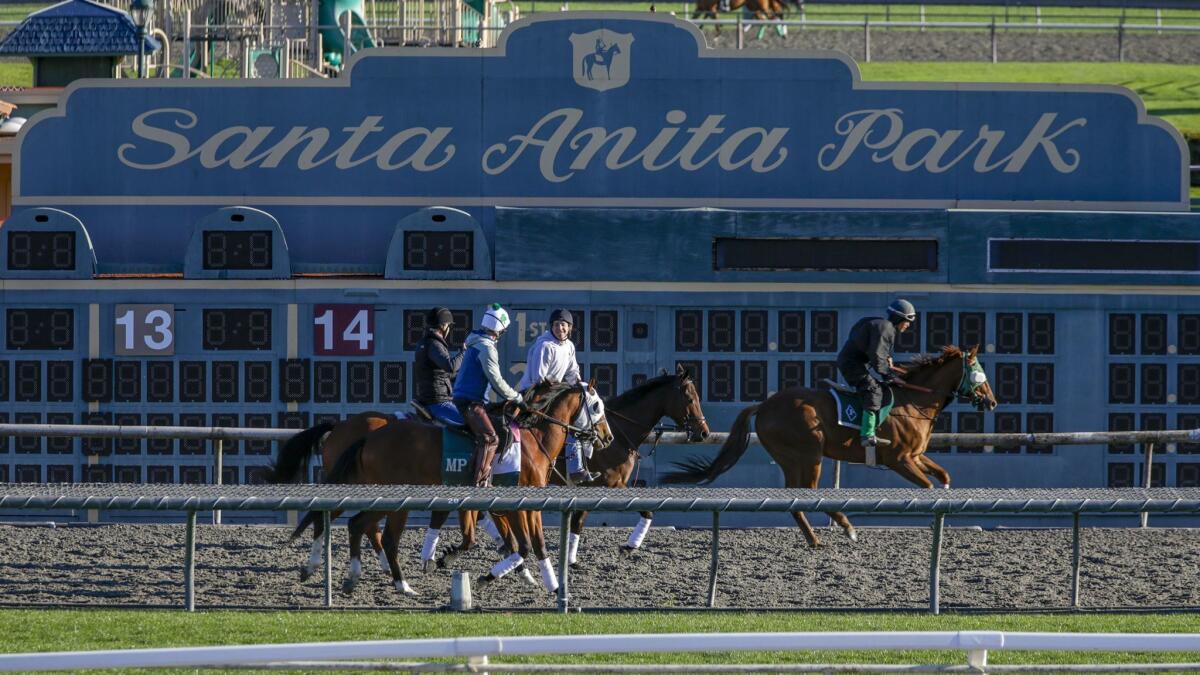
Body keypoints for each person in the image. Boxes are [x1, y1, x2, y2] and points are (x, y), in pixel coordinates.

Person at [517, 309, 597, 484]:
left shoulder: (569, 346)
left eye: (563, 325)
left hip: (553, 394)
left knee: (577, 421)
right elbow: (540, 379)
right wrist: (564, 388)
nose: (560, 328)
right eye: (556, 325)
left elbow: (572, 372)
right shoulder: (544, 346)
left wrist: (577, 383)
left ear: (569, 328)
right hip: (534, 394)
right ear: (551, 327)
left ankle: (576, 469)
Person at [836, 299, 916, 462]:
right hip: (852, 365)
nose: (908, 326)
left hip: (853, 362)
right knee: (874, 390)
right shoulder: (885, 328)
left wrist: (887, 360)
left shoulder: (879, 324)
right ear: (899, 319)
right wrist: (890, 376)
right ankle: (867, 434)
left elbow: (875, 350)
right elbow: (877, 357)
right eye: (907, 322)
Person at [452, 304, 523, 486]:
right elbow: (496, 381)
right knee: (490, 438)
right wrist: (516, 397)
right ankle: (480, 484)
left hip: (469, 400)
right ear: (499, 329)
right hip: (471, 403)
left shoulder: (474, 340)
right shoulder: (487, 348)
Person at [413, 307, 464, 427]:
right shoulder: (434, 344)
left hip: (430, 398)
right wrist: (464, 353)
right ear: (444, 325)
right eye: (449, 326)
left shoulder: (424, 342)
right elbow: (450, 366)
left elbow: (444, 374)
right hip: (438, 402)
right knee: (471, 423)